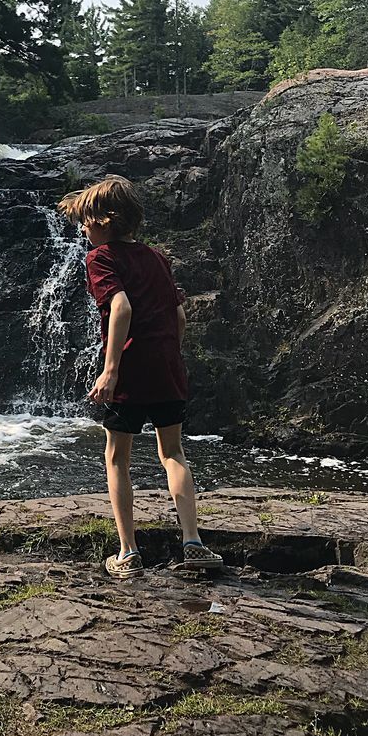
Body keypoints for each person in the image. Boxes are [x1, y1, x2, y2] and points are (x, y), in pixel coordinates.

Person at [57, 174, 223, 580]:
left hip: (130, 369)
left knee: (117, 458)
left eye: (86, 220)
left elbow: (121, 308)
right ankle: (192, 542)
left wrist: (110, 370)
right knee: (173, 454)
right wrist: (170, 355)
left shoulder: (101, 258)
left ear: (104, 221)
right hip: (166, 365)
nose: (82, 228)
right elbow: (179, 315)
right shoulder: (156, 257)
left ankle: (128, 551)